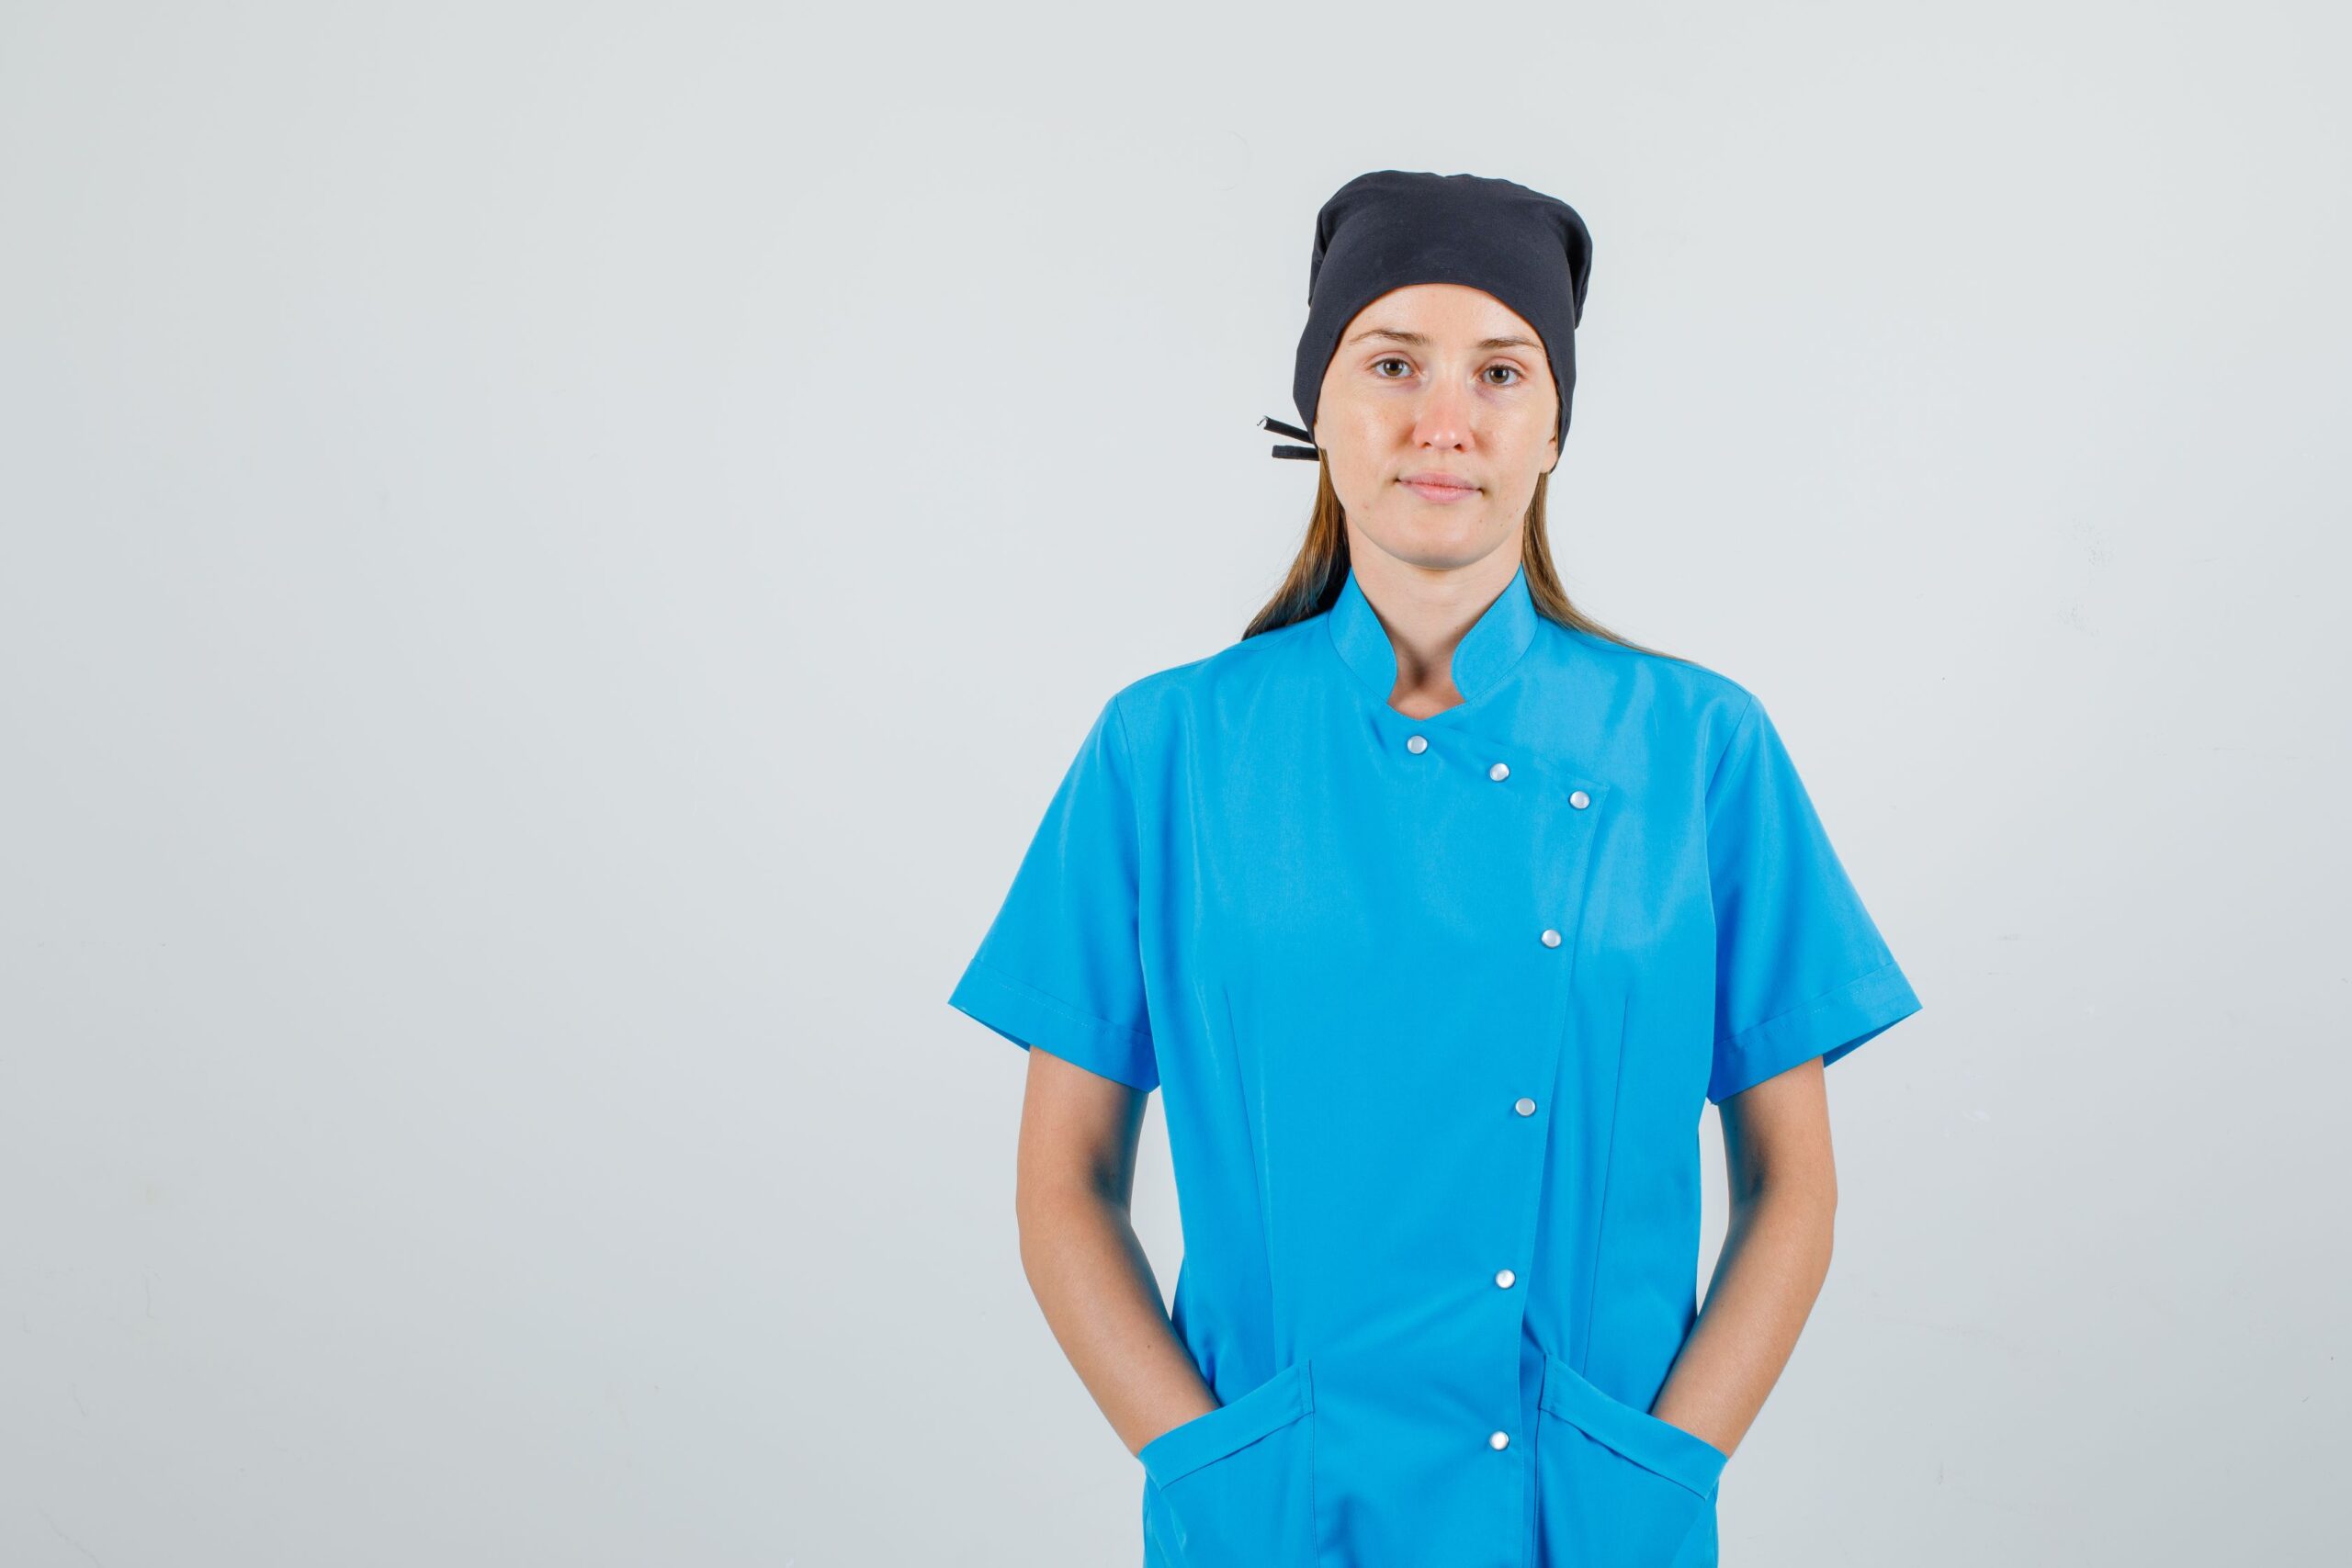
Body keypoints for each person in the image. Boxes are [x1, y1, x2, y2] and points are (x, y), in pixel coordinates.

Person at [945, 168, 1924, 1568]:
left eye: (1501, 373)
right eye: (1392, 363)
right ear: (1319, 406)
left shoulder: (1700, 746)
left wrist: (1663, 1468)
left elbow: (1794, 1188)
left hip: (1587, 1517)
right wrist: (1208, 1466)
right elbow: (1063, 1186)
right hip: (1276, 1519)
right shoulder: (1166, 750)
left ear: (1555, 428)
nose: (1443, 421)